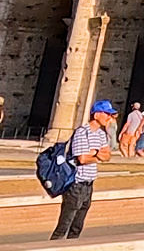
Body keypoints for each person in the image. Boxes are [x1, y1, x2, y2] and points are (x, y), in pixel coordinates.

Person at [51, 101, 116, 241]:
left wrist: (94, 153)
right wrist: (99, 155)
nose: (109, 117)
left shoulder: (101, 134)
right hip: (76, 184)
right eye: (107, 114)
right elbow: (82, 159)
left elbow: (108, 156)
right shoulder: (82, 132)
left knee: (77, 226)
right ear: (97, 114)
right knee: (64, 224)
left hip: (89, 183)